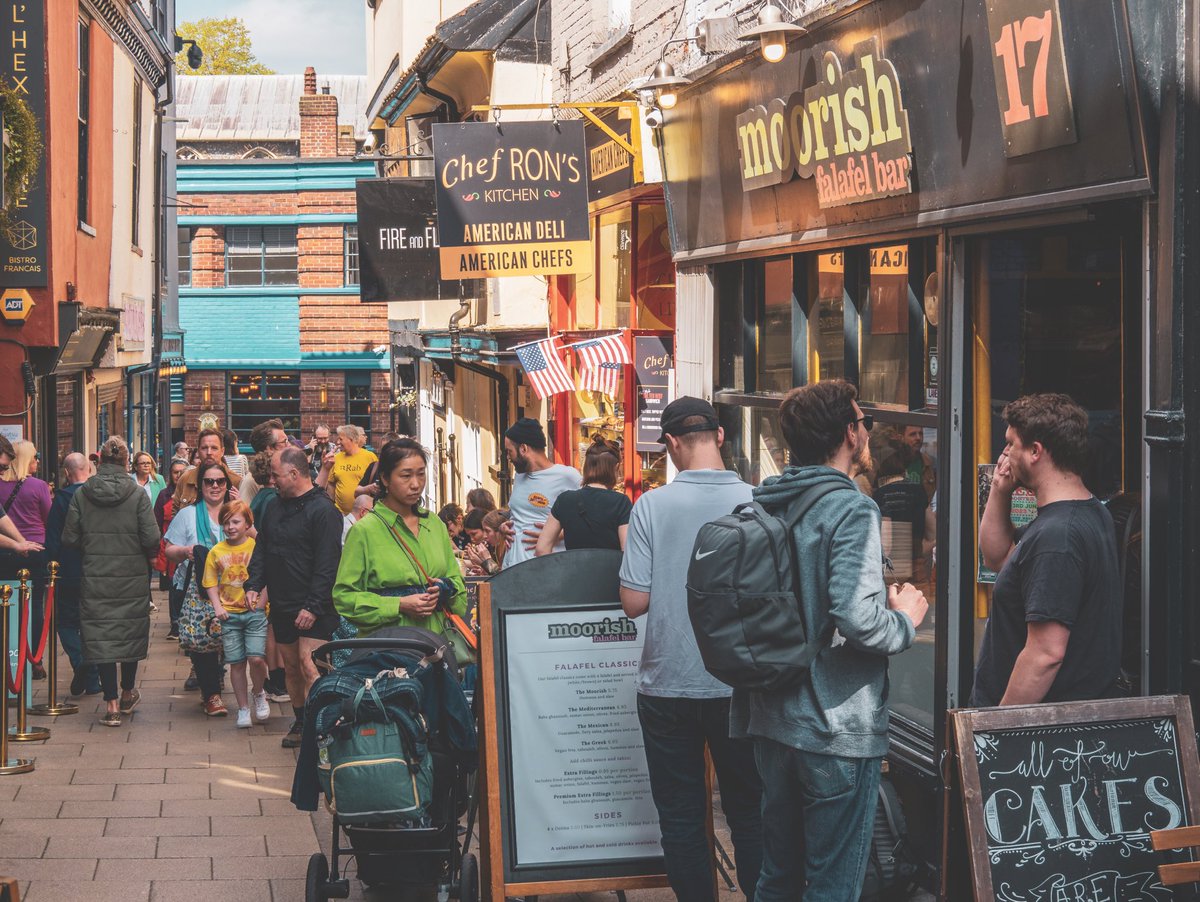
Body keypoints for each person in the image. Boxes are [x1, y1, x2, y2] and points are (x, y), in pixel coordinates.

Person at [731, 380, 927, 901]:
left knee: (778, 875)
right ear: (849, 434)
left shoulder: (765, 501)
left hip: (771, 717)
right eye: (863, 420)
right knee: (833, 883)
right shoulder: (851, 509)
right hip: (833, 727)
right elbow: (857, 619)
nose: (866, 430)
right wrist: (905, 618)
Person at [618, 397, 763, 901]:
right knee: (749, 811)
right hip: (741, 684)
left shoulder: (651, 507)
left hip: (667, 684)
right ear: (720, 437)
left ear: (673, 444)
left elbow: (634, 602)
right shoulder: (758, 501)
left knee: (680, 817)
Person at [972, 393, 1121, 707]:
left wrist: (998, 731)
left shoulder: (1057, 538)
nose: (1005, 453)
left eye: (1011, 444)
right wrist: (1000, 490)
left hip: (1037, 739)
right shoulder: (1087, 511)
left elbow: (1045, 655)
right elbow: (998, 558)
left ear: (1035, 452)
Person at [245, 446, 343, 748]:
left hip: (316, 605)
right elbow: (263, 547)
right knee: (290, 667)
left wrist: (313, 606)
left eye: (275, 475)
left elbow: (328, 564)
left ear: (294, 473)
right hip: (283, 601)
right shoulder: (274, 506)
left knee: (309, 664)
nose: (271, 481)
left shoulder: (324, 510)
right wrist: (254, 583)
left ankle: (319, 725)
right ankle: (301, 721)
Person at [63, 436, 161, 727]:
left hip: (95, 575)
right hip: (131, 576)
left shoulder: (82, 494)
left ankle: (111, 704)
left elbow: (69, 538)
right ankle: (128, 691)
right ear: (126, 462)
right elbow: (152, 537)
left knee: (103, 635)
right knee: (127, 633)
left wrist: (90, 544)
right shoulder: (137, 494)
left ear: (100, 461)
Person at [334, 438, 468, 636]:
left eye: (421, 474)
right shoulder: (365, 531)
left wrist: (444, 589)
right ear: (385, 479)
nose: (416, 484)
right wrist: (398, 604)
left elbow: (457, 582)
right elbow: (344, 598)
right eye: (406, 476)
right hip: (389, 649)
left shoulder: (434, 524)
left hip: (437, 646)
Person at [164, 459, 238, 716]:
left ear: (227, 484)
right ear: (201, 485)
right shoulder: (187, 515)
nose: (215, 486)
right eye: (209, 481)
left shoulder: (236, 513)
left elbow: (256, 539)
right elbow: (169, 550)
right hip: (199, 590)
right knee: (202, 640)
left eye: (220, 481)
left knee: (227, 641)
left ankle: (216, 678)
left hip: (232, 589)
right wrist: (186, 551)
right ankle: (212, 695)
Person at [203, 500, 271, 729]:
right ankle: (243, 708)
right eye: (226, 522)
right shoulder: (216, 551)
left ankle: (259, 691)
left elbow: (268, 576)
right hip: (229, 615)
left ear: (247, 523)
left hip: (255, 613)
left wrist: (262, 603)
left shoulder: (255, 547)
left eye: (235, 521)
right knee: (237, 663)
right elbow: (210, 582)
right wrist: (217, 607)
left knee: (257, 658)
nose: (230, 527)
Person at [44, 452, 100, 697]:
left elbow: (53, 539)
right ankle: (94, 679)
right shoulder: (99, 496)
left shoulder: (62, 499)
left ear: (67, 473)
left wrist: (52, 569)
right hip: (98, 569)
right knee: (93, 622)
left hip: (68, 570)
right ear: (89, 469)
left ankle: (80, 662)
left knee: (66, 622)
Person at [0, 439, 53, 678]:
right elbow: (48, 516)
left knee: (8, 605)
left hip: (8, 551)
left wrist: (16, 541)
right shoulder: (39, 486)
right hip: (34, 549)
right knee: (34, 605)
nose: (37, 461)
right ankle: (34, 660)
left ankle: (13, 658)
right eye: (33, 457)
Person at [500, 418, 581, 568]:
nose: (507, 457)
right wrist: (504, 526)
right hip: (511, 570)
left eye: (509, 451)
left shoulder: (568, 476)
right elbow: (519, 514)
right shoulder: (519, 475)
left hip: (546, 571)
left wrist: (553, 535)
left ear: (523, 448)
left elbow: (586, 521)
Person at [536, 437, 630, 554]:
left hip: (573, 571)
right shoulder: (621, 502)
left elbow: (541, 548)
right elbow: (627, 551)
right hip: (608, 571)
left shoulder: (564, 499)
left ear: (586, 467)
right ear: (616, 468)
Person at [174, 428, 249, 508]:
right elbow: (175, 513)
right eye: (204, 448)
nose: (209, 452)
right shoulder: (186, 479)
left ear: (222, 451)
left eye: (214, 448)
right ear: (198, 451)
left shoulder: (236, 481)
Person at [155, 459, 188, 636]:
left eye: (182, 471)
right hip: (170, 544)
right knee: (174, 584)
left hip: (187, 544)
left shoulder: (193, 493)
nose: (179, 475)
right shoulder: (163, 495)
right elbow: (157, 521)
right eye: (176, 472)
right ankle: (175, 623)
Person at [317, 425, 378, 515]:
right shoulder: (336, 458)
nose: (338, 442)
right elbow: (331, 484)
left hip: (363, 514)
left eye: (341, 439)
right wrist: (330, 507)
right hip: (340, 513)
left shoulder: (370, 457)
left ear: (351, 439)